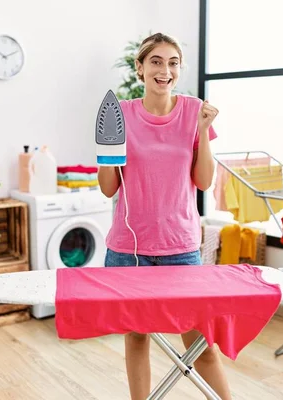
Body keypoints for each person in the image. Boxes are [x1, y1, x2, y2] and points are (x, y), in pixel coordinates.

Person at [97, 32, 232, 400]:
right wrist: (108, 150)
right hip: (130, 249)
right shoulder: (120, 114)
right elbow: (108, 188)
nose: (165, 70)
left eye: (173, 63)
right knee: (137, 335)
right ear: (140, 68)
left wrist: (203, 131)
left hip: (180, 246)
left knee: (200, 343)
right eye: (156, 61)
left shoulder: (194, 112)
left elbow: (203, 182)